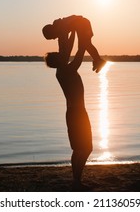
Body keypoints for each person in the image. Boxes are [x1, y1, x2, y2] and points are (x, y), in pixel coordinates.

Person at [44, 31, 93, 191]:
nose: (63, 54)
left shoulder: (62, 70)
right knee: (85, 148)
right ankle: (77, 181)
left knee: (79, 148)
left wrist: (71, 32)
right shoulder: (67, 70)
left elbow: (68, 50)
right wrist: (82, 37)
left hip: (73, 113)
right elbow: (78, 54)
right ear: (58, 61)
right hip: (77, 114)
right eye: (60, 55)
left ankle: (76, 181)